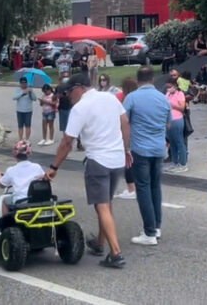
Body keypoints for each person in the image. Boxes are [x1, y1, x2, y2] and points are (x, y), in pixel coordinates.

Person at [45, 74, 132, 269]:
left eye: (68, 91)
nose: (68, 95)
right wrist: (126, 149)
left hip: (98, 161)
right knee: (106, 204)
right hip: (117, 159)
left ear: (79, 88)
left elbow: (67, 141)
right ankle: (100, 243)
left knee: (102, 206)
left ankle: (116, 253)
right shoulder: (110, 98)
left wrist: (54, 167)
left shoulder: (80, 108)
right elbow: (125, 123)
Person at [121, 67, 169, 245]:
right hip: (158, 149)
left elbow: (123, 121)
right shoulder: (162, 98)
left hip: (139, 148)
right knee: (156, 187)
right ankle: (156, 227)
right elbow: (168, 123)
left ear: (138, 79)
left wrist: (125, 146)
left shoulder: (132, 98)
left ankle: (148, 232)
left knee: (142, 188)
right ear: (152, 79)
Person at [0, 140, 45, 212]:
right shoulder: (37, 167)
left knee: (4, 201)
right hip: (36, 199)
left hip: (21, 201)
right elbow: (43, 177)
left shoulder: (11, 170)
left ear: (15, 154)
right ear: (28, 153)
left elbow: (2, 185)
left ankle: (6, 222)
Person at [114, 77, 139, 201]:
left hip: (129, 133)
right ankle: (136, 187)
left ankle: (131, 189)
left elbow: (124, 119)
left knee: (128, 162)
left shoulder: (127, 100)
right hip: (140, 134)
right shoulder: (139, 98)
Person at [163, 80, 188, 173]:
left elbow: (182, 107)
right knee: (172, 143)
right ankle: (174, 162)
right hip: (169, 120)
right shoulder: (168, 94)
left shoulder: (180, 94)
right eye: (167, 87)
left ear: (174, 86)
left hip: (177, 120)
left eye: (170, 86)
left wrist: (172, 104)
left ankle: (183, 163)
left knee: (179, 142)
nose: (168, 88)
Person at [13, 78, 36, 142]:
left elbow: (34, 99)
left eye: (25, 83)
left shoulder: (30, 90)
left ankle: (27, 139)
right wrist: (22, 93)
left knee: (28, 125)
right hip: (20, 110)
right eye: (22, 83)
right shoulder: (18, 90)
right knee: (20, 126)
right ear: (20, 83)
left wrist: (31, 92)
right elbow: (14, 97)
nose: (24, 84)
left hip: (28, 110)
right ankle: (20, 139)